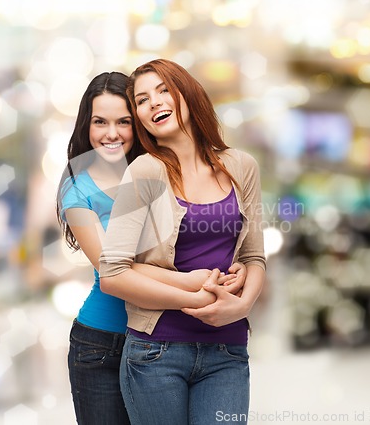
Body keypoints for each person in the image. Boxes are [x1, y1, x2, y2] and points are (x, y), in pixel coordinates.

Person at [57, 71, 246, 425]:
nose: (111, 133)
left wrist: (242, 268)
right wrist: (198, 283)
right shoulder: (77, 190)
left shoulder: (160, 171)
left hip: (164, 336)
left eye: (124, 122)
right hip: (102, 343)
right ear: (86, 126)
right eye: (100, 122)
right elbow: (111, 268)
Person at [99, 59, 267, 425]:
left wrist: (240, 308)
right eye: (142, 100)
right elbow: (112, 273)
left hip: (228, 350)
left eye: (163, 90)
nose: (154, 103)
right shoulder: (144, 171)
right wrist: (194, 298)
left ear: (188, 94)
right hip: (156, 352)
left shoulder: (242, 166)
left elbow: (254, 256)